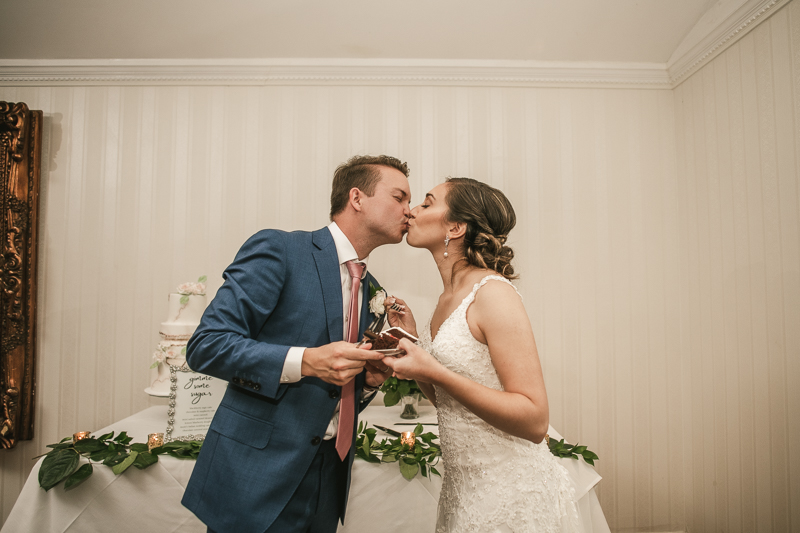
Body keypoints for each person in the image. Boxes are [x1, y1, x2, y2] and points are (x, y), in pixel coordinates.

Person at [181, 155, 410, 533]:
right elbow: (207, 345)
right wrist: (305, 361)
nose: (410, 210)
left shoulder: (372, 290)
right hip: (256, 474)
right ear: (357, 197)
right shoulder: (281, 250)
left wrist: (367, 382)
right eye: (399, 197)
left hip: (329, 475)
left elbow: (338, 386)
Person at [382, 177, 581, 533]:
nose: (412, 211)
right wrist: (414, 347)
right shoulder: (446, 299)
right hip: (464, 492)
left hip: (510, 494)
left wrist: (435, 370)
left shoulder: (492, 294)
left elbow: (535, 420)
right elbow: (447, 400)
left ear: (455, 227)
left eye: (426, 203)